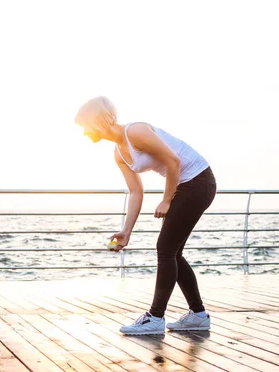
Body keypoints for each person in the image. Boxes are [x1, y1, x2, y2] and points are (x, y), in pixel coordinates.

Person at [75, 96, 216, 335]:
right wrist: (126, 231)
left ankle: (156, 317)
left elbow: (173, 160)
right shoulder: (119, 153)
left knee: (166, 248)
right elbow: (135, 192)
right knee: (172, 251)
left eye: (85, 126)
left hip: (198, 180)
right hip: (186, 185)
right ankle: (198, 315)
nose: (84, 133)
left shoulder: (136, 131)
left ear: (98, 121)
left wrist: (167, 199)